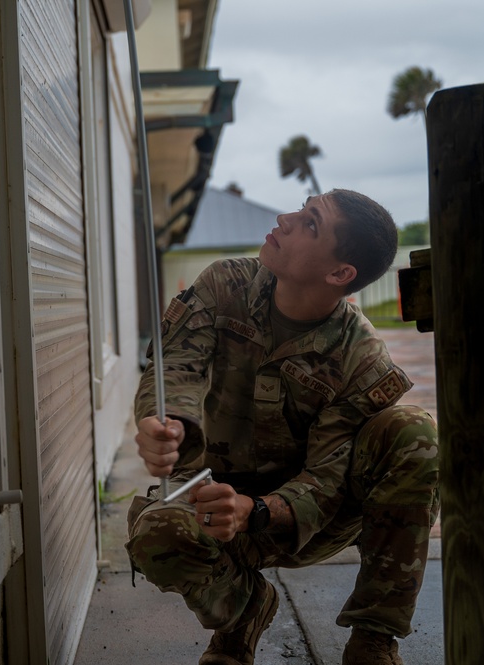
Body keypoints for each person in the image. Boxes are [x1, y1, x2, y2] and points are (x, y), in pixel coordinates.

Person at [126, 189, 439, 665]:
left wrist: (256, 510)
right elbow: (176, 367)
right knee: (157, 534)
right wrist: (165, 421)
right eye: (301, 206)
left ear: (340, 274)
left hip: (309, 519)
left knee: (414, 433)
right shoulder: (225, 284)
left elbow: (329, 479)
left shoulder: (361, 357)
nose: (284, 218)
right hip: (214, 500)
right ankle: (243, 616)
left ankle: (373, 640)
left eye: (310, 223)